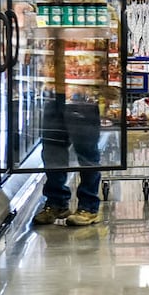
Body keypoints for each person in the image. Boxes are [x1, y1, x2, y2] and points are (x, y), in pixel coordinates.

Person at [33, 93, 104, 226]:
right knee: (52, 152)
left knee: (87, 153)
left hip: (83, 100)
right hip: (54, 97)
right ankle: (56, 202)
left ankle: (88, 206)